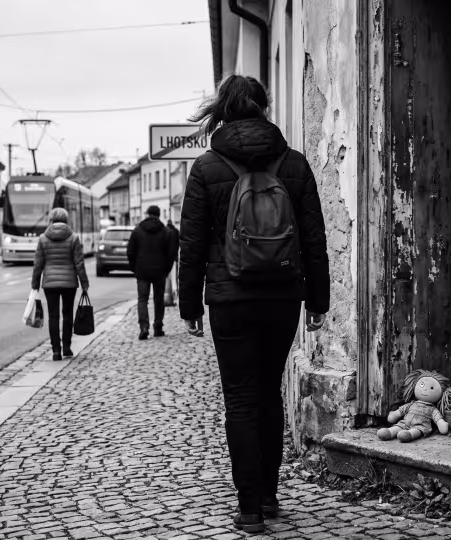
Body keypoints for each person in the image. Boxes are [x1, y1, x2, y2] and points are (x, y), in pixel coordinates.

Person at [179, 74, 330, 534]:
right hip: (283, 297)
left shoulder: (207, 168)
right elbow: (314, 239)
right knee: (268, 392)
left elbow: (192, 242)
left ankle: (248, 509)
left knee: (240, 398)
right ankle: (268, 495)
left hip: (229, 299)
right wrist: (317, 301)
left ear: (221, 110)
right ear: (265, 107)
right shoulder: (295, 164)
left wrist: (189, 306)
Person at [31, 208, 89, 361]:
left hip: (50, 283)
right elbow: (79, 263)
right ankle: (67, 347)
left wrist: (35, 284)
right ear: (66, 220)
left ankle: (56, 351)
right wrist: (84, 283)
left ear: (51, 220)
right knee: (67, 314)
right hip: (69, 282)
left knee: (53, 316)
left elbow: (38, 264)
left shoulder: (43, 238)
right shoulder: (74, 238)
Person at [126, 205, 176, 340]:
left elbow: (130, 252)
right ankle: (158, 327)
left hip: (142, 270)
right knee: (158, 299)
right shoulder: (166, 232)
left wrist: (134, 268)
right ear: (159, 215)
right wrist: (167, 269)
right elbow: (171, 253)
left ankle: (144, 327)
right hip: (160, 270)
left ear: (147, 214)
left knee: (142, 299)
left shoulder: (137, 231)